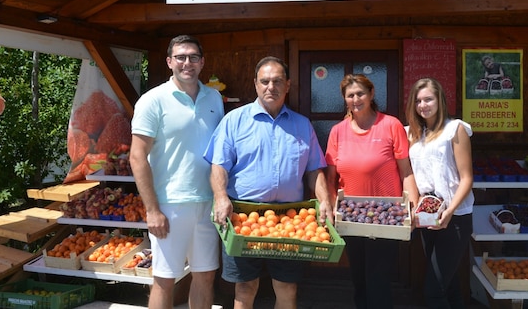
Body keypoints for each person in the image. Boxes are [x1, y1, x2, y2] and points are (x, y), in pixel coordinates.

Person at [204, 56, 333, 309]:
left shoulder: (302, 125)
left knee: (287, 286)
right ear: (255, 84)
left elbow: (314, 170)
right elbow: (218, 166)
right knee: (244, 287)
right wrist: (220, 198)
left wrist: (325, 200)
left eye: (276, 81)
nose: (270, 87)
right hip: (243, 216)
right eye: (264, 81)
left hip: (291, 219)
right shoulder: (235, 121)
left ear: (288, 85)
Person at [129, 35, 224, 309]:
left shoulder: (214, 98)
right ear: (169, 62)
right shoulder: (153, 100)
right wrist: (152, 210)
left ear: (202, 62)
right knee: (165, 278)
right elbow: (137, 157)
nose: (187, 63)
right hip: (169, 205)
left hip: (207, 203)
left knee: (205, 275)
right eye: (180, 57)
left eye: (193, 57)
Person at [325, 74, 414, 309]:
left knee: (379, 279)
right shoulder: (337, 132)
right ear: (345, 99)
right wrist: (332, 209)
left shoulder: (390, 125)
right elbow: (331, 177)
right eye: (350, 95)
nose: (356, 99)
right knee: (359, 278)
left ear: (372, 94)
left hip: (387, 216)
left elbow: (406, 171)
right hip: (351, 216)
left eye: (360, 93)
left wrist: (410, 209)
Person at [405, 78, 474, 309]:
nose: (423, 105)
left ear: (440, 100)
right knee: (450, 284)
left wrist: (450, 210)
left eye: (428, 99)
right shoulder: (414, 134)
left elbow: (467, 178)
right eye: (418, 101)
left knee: (433, 291)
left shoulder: (455, 129)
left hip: (454, 218)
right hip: (428, 216)